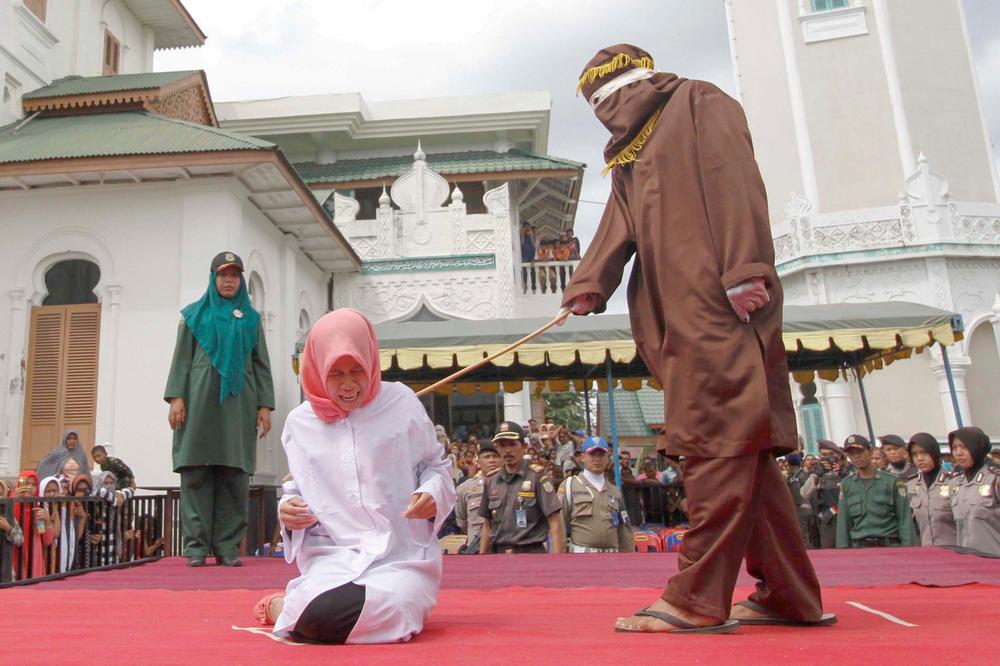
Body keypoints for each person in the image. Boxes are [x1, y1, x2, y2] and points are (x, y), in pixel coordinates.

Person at [564, 44, 830, 633]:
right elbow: (619, 223)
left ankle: (695, 597)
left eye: (609, 98)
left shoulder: (699, 103)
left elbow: (737, 184)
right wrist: (591, 283)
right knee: (745, 454)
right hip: (672, 315)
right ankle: (788, 594)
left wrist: (745, 269)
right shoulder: (631, 148)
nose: (609, 111)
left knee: (714, 446)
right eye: (600, 106)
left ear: (639, 83)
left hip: (720, 305)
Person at [255, 308, 456, 644]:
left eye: (357, 371)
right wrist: (288, 509)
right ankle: (293, 608)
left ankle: (284, 609)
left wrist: (433, 494)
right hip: (334, 559)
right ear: (318, 369)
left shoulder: (401, 403)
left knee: (394, 607)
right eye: (336, 374)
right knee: (319, 612)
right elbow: (297, 490)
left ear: (371, 361)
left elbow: (435, 466)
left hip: (400, 560)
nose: (349, 385)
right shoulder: (299, 425)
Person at [164, 251, 275, 568]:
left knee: (234, 474)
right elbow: (181, 360)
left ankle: (227, 545)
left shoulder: (251, 320)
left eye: (235, 275)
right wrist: (176, 397)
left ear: (241, 281)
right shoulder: (193, 316)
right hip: (198, 405)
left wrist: (265, 405)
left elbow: (261, 365)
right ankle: (196, 547)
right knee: (196, 472)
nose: (229, 280)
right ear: (213, 278)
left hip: (238, 407)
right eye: (223, 275)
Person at [478, 421, 565, 554]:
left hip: (531, 554)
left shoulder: (538, 477)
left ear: (524, 446)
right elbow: (487, 525)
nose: (507, 450)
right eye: (502, 445)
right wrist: (482, 559)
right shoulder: (491, 481)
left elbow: (554, 522)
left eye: (512, 444)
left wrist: (557, 561)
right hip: (498, 556)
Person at [836, 435, 917, 548]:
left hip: (889, 545)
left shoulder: (891, 482)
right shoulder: (847, 484)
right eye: (852, 453)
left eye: (860, 451)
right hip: (860, 547)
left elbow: (905, 520)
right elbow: (843, 524)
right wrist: (842, 553)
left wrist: (910, 551)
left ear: (869, 452)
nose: (857, 456)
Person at [559, 437, 634, 553]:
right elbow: (559, 525)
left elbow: (624, 529)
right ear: (583, 457)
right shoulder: (570, 485)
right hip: (581, 555)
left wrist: (630, 559)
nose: (597, 459)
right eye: (592, 454)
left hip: (612, 556)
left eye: (601, 455)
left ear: (607, 458)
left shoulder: (615, 491)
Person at [948, 427, 1000, 555]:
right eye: (954, 448)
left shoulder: (995, 479)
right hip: (967, 564)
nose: (958, 453)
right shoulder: (955, 482)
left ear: (978, 447)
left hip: (994, 560)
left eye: (964, 447)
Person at [904, 432, 957, 547]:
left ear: (934, 453)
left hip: (954, 551)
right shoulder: (912, 484)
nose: (920, 458)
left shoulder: (953, 481)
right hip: (927, 553)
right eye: (914, 454)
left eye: (924, 453)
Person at [455, 441, 502, 554]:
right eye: (486, 457)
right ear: (478, 462)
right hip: (475, 549)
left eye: (495, 456)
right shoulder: (465, 488)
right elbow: (463, 523)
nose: (491, 460)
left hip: (503, 549)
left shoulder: (512, 486)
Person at [8, 471, 54, 580]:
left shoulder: (37, 509)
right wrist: (15, 501)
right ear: (19, 484)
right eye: (26, 483)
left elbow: (46, 540)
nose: (30, 487)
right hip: (13, 554)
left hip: (33, 557)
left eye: (34, 485)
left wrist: (47, 521)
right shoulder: (9, 504)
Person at [801, 441, 848, 549]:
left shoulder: (848, 470)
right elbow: (804, 493)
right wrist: (816, 475)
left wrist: (843, 474)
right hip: (828, 521)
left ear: (839, 455)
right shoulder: (818, 473)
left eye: (830, 455)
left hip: (847, 519)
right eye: (823, 455)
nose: (827, 458)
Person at [785, 452, 818, 549]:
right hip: (808, 508)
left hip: (799, 509)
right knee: (809, 537)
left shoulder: (791, 477)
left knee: (803, 538)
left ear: (789, 464)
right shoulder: (805, 474)